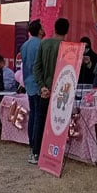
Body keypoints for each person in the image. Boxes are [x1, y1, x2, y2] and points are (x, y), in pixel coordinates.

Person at [33, 18, 69, 161]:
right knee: (58, 122)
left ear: (54, 28)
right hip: (60, 93)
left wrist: (42, 87)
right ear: (67, 30)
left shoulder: (44, 43)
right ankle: (54, 153)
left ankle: (36, 152)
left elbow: (37, 68)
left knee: (40, 120)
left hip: (45, 91)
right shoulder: (67, 47)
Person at [19, 20, 44, 164]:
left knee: (33, 116)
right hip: (38, 84)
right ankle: (36, 150)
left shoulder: (24, 45)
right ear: (39, 30)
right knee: (38, 117)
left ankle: (32, 148)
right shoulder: (40, 44)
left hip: (28, 83)